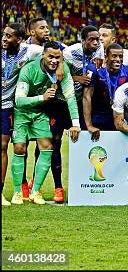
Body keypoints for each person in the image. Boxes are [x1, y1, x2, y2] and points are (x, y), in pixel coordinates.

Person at [11, 41, 80, 205]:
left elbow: (70, 97)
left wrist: (75, 123)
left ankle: (36, 192)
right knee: (20, 147)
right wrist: (42, 97)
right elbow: (19, 100)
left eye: (57, 57)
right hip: (22, 113)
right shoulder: (29, 70)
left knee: (47, 147)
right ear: (43, 55)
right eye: (50, 57)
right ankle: (17, 192)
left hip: (41, 113)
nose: (54, 61)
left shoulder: (62, 71)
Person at [1, 23, 43, 206]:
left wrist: (59, 69)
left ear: (18, 40)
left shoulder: (29, 51)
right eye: (3, 34)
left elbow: (56, 52)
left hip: (6, 106)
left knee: (3, 147)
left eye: (9, 36)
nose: (4, 38)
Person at [83, 43, 128, 140]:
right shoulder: (95, 70)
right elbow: (86, 96)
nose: (118, 59)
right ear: (106, 57)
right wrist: (89, 125)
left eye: (120, 56)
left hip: (121, 116)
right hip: (99, 116)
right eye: (114, 56)